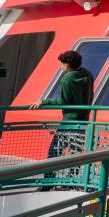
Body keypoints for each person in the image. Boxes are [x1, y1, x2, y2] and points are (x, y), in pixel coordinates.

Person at [29, 50, 94, 188]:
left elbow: (64, 101)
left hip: (69, 121)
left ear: (67, 66)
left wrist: (43, 102)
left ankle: (48, 182)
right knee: (75, 154)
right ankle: (71, 183)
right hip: (83, 120)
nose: (61, 67)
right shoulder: (88, 74)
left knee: (54, 152)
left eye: (62, 64)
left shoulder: (66, 79)